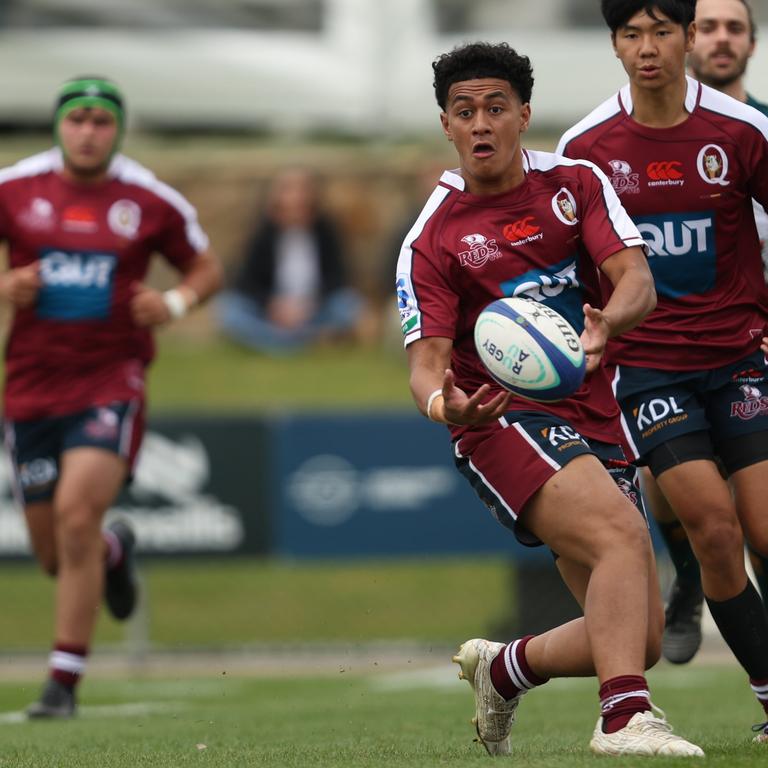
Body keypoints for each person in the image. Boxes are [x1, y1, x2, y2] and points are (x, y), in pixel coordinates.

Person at [398, 41, 703, 756]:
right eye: (464, 111)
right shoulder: (433, 239)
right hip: (501, 424)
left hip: (596, 416)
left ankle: (504, 669)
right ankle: (625, 720)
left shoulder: (576, 183)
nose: (481, 124)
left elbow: (635, 279)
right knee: (623, 539)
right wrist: (449, 409)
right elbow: (426, 369)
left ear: (523, 115)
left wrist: (612, 320)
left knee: (637, 634)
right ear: (446, 124)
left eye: (495, 109)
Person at [557, 0, 768, 743]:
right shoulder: (584, 147)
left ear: (685, 39)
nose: (648, 48)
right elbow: (579, 265)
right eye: (631, 34)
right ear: (615, 45)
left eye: (662, 32)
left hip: (742, 357)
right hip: (647, 371)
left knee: (765, 528)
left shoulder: (743, 132)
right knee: (714, 530)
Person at [0, 76, 223, 718]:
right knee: (55, 552)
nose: (89, 132)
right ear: (58, 126)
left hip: (110, 379)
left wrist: (174, 301)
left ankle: (62, 684)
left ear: (117, 130)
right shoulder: (16, 188)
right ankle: (114, 551)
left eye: (101, 121)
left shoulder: (148, 200)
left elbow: (205, 268)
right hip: (30, 386)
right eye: (78, 120)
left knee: (75, 516)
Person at [646, 0, 768, 667]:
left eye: (735, 27)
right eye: (710, 26)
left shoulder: (756, 131)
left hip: (751, 339)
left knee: (762, 525)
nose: (721, 39)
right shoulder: (610, 139)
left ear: (751, 41)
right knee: (683, 492)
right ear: (691, 37)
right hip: (661, 355)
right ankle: (688, 578)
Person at [216, 167, 363, 354]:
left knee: (348, 305)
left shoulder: (325, 231)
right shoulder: (262, 234)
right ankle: (298, 343)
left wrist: (309, 304)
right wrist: (273, 305)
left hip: (313, 307)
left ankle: (283, 344)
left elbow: (339, 276)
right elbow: (245, 281)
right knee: (230, 310)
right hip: (273, 311)